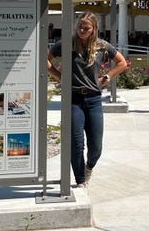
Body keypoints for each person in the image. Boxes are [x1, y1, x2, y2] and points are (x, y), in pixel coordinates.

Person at [47, 12, 127, 188]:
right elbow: (46, 59)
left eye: (86, 27)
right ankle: (80, 180)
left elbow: (122, 63)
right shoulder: (67, 44)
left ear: (94, 29)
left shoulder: (102, 46)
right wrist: (59, 76)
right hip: (73, 98)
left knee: (96, 147)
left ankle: (89, 167)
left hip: (93, 100)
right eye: (79, 27)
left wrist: (106, 77)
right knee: (76, 143)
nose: (82, 30)